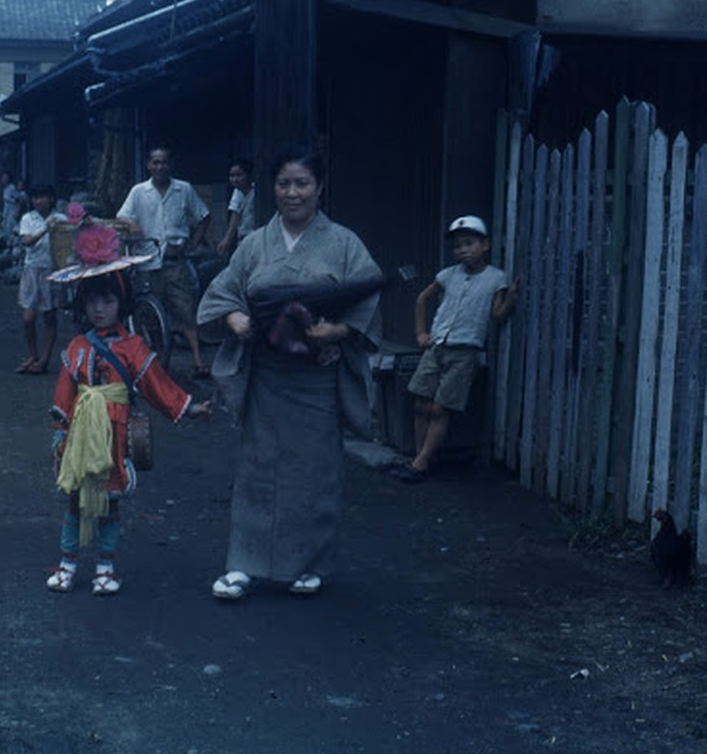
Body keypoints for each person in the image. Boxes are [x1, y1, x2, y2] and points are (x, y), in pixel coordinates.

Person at [197, 145, 383, 600]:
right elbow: (223, 293)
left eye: (302, 183)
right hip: (268, 375)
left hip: (316, 378)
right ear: (273, 189)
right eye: (284, 184)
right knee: (257, 469)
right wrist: (234, 319)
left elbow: (368, 300)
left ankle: (308, 563)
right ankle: (244, 564)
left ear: (320, 188)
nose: (293, 193)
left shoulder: (343, 243)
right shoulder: (255, 243)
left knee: (313, 471)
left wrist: (335, 330)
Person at [46, 237, 212, 595]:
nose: (99, 308)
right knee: (75, 501)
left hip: (114, 434)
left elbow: (155, 384)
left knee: (109, 503)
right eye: (92, 301)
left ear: (122, 303)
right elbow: (64, 394)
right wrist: (60, 433)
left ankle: (105, 569)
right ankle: (67, 565)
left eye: (107, 300)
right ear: (82, 305)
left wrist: (188, 407)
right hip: (80, 436)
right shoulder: (77, 347)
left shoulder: (134, 347)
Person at [390, 215, 519, 483]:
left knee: (440, 408)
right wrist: (421, 332)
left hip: (465, 351)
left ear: (485, 245)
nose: (462, 249)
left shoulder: (496, 277)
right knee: (421, 401)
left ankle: (420, 463)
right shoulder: (448, 275)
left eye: (469, 243)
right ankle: (420, 457)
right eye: (458, 245)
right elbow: (422, 299)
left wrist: (510, 300)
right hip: (437, 346)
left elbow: (496, 315)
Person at [115, 145, 213, 378]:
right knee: (150, 315)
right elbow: (122, 214)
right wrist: (131, 224)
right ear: (148, 165)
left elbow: (204, 216)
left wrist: (193, 243)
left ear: (171, 164)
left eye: (164, 162)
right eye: (155, 162)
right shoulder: (139, 191)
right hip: (147, 263)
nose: (160, 167)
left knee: (186, 310)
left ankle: (198, 360)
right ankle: (159, 356)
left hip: (175, 263)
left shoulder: (184, 189)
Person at [16, 185, 65, 375]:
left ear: (50, 199)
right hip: (32, 270)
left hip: (52, 271)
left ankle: (44, 358)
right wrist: (45, 229)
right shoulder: (28, 218)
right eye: (35, 198)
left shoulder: (60, 219)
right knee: (28, 318)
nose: (38, 201)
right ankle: (33, 354)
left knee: (50, 317)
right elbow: (27, 241)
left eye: (41, 197)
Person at [217, 158, 256, 259]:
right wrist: (227, 239)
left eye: (239, 175)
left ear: (248, 175)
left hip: (256, 238)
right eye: (232, 176)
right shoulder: (237, 192)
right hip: (243, 239)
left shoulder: (256, 193)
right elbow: (235, 217)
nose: (235, 179)